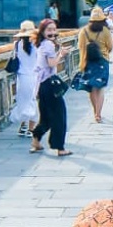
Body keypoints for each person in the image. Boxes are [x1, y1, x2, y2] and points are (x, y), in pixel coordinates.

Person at [32, 19, 70, 156]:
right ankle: (59, 147)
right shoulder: (48, 45)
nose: (52, 32)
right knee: (59, 115)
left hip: (41, 85)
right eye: (49, 30)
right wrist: (61, 54)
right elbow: (52, 63)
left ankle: (36, 140)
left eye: (54, 29)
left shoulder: (41, 44)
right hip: (49, 84)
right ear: (42, 31)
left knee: (46, 117)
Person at [75, 6, 113, 123]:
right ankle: (98, 114)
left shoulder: (83, 31)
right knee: (100, 88)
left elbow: (80, 47)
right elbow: (110, 47)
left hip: (87, 61)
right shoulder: (105, 31)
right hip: (102, 61)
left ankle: (95, 112)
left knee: (91, 88)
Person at [10, 20, 44, 139]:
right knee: (33, 101)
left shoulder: (16, 45)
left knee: (23, 102)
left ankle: (23, 125)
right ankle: (31, 128)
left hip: (21, 78)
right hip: (34, 77)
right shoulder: (37, 45)